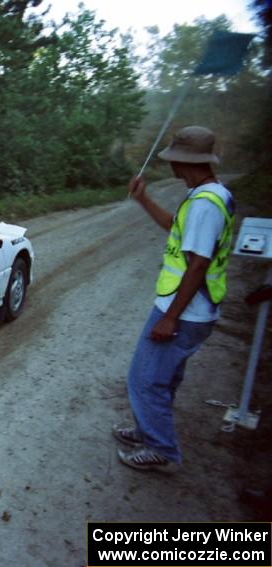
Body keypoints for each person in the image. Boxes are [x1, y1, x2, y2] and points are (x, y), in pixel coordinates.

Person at [114, 125, 236, 473]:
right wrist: (143, 200)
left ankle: (161, 448)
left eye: (173, 159)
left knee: (145, 378)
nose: (170, 165)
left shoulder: (205, 205)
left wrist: (170, 318)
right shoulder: (209, 194)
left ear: (183, 161)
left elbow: (198, 264)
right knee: (162, 376)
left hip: (185, 311)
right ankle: (146, 430)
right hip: (188, 310)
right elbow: (174, 227)